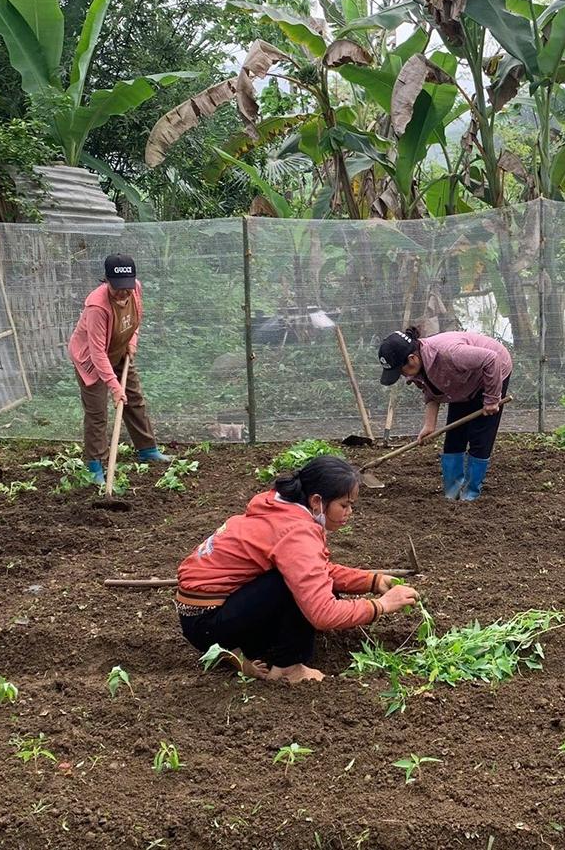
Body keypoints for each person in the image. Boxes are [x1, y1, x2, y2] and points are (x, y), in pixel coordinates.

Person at [175, 456, 419, 683]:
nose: (349, 513)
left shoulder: (280, 507)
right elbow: (323, 613)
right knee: (301, 591)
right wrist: (382, 605)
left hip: (203, 611)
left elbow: (316, 570)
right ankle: (287, 667)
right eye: (344, 505)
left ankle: (247, 650)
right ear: (316, 501)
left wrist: (372, 582)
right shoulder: (296, 533)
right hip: (208, 622)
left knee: (306, 582)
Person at [68, 253, 169, 484]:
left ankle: (147, 449)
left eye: (127, 286)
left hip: (119, 349)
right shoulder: (97, 306)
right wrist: (114, 387)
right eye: (118, 287)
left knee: (134, 398)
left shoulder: (135, 290)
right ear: (107, 281)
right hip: (91, 361)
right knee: (97, 414)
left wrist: (132, 342)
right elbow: (96, 353)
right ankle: (95, 466)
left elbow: (135, 321)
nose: (123, 292)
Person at [377, 327, 512, 501]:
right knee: (455, 436)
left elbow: (491, 360)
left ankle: (470, 495)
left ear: (412, 359)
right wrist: (429, 424)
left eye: (400, 371)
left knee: (480, 436)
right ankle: (452, 493)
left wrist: (492, 399)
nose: (402, 376)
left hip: (491, 371)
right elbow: (432, 391)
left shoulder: (449, 353)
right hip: (460, 381)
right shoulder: (420, 365)